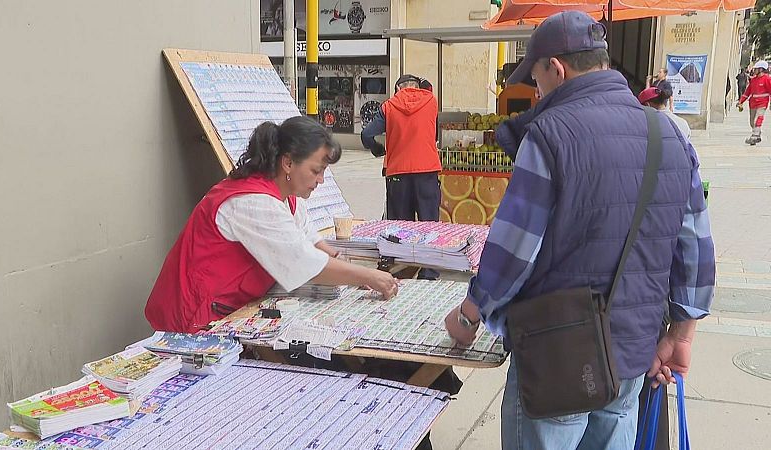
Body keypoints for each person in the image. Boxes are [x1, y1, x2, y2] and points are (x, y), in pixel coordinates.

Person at [444, 11, 714, 449]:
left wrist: (469, 313)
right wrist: (682, 333)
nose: (536, 91)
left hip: (556, 353)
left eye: (535, 79)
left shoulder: (550, 134)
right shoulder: (668, 133)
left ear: (556, 68)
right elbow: (696, 247)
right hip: (633, 349)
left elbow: (513, 250)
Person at [145, 116, 398, 333]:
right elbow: (303, 262)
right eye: (316, 171)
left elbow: (310, 241)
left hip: (228, 307)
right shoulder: (252, 202)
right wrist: (368, 276)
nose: (321, 180)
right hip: (194, 315)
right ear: (288, 163)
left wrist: (345, 266)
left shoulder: (286, 196)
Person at [361, 74, 442, 280]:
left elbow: (367, 134)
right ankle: (429, 270)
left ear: (397, 89)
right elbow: (435, 135)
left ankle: (402, 269)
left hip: (398, 173)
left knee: (400, 224)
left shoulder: (389, 106)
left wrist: (378, 149)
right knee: (428, 223)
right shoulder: (431, 101)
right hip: (427, 171)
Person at [737, 60, 771, 145]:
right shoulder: (753, 80)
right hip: (752, 104)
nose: (754, 70)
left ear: (761, 69)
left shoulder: (767, 79)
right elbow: (747, 92)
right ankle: (757, 134)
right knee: (752, 121)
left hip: (762, 103)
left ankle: (754, 136)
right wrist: (741, 101)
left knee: (758, 119)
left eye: (756, 69)